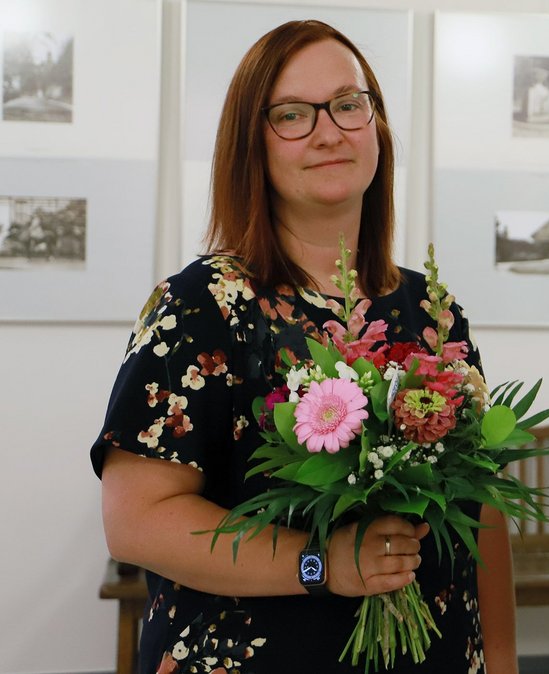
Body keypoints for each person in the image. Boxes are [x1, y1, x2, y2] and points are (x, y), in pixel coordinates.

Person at [91, 21, 516, 674]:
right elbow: (137, 520)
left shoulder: (433, 313)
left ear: (376, 126)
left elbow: (481, 511)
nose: (329, 131)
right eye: (292, 114)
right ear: (252, 146)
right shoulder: (203, 306)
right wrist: (323, 564)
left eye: (349, 104)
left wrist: (504, 660)